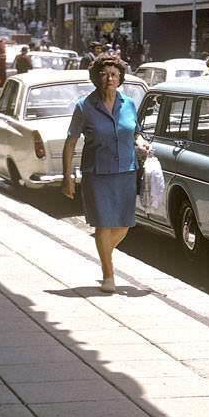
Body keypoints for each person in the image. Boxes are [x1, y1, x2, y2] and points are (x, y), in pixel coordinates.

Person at [61, 55, 150, 293]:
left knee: (123, 226)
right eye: (103, 74)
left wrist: (140, 143)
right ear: (95, 78)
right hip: (97, 173)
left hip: (126, 171)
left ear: (120, 77)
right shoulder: (84, 106)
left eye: (113, 74)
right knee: (103, 225)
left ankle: (103, 255)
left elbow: (136, 133)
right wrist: (66, 176)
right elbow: (70, 143)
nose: (109, 78)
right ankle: (108, 275)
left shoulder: (129, 104)